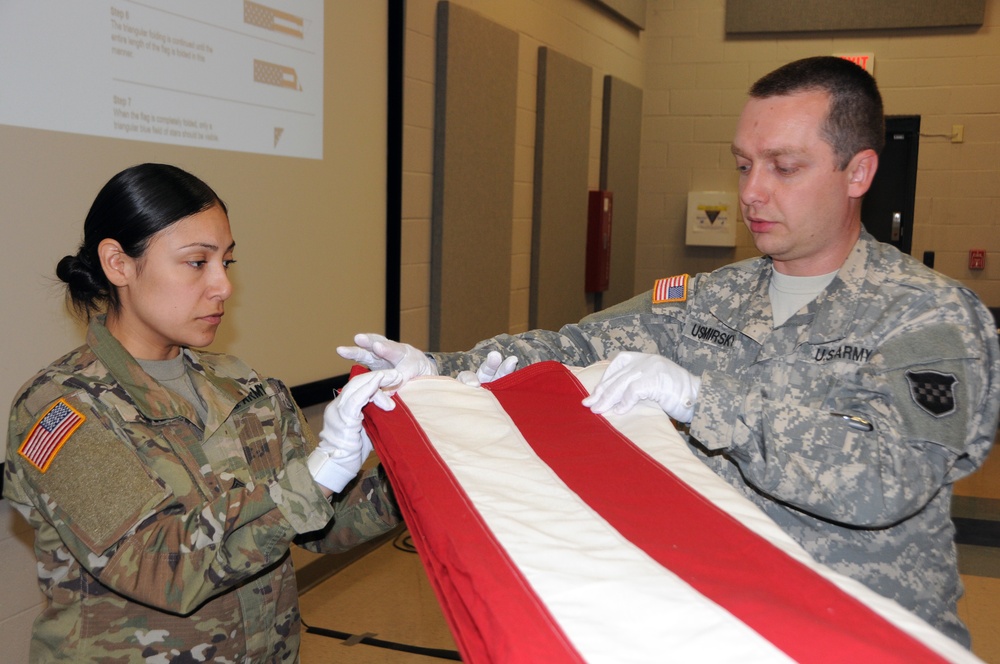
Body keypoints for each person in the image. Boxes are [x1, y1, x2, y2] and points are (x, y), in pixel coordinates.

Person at [339, 56, 1000, 647]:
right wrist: (441, 372)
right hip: (719, 620)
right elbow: (574, 347)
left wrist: (701, 399)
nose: (750, 191)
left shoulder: (927, 317)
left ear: (858, 171)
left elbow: (890, 480)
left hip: (859, 632)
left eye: (784, 167)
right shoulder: (707, 297)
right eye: (743, 164)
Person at [4, 163, 404, 662]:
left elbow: (323, 525)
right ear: (118, 264)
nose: (223, 286)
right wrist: (319, 476)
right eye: (197, 262)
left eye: (226, 263)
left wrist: (414, 460)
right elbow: (161, 566)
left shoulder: (244, 386)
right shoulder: (60, 410)